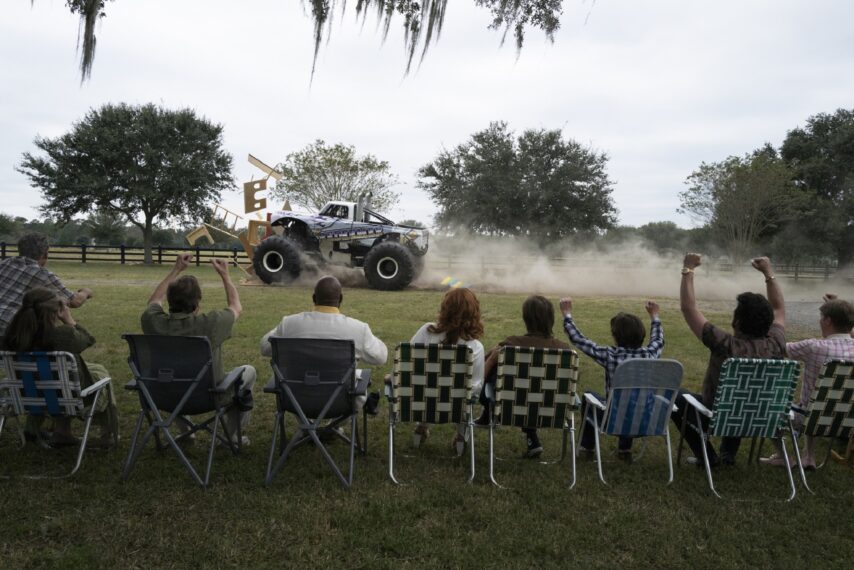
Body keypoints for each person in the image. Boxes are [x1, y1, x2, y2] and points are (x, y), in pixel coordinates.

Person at [671, 254, 786, 467]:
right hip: (761, 417)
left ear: (736, 322)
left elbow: (689, 309)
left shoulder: (724, 345)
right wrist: (768, 273)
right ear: (768, 322)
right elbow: (779, 308)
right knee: (742, 396)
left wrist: (688, 269)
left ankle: (707, 456)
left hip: (717, 417)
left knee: (677, 396)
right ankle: (728, 454)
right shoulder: (776, 343)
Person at [141, 254, 256, 445]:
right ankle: (229, 436)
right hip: (209, 396)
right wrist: (225, 276)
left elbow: (153, 301)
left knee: (172, 376)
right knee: (249, 372)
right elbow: (236, 307)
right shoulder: (211, 323)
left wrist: (177, 269)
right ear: (197, 304)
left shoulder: (153, 322)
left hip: (163, 395)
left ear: (169, 300)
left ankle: (186, 433)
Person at [3, 287, 118, 447]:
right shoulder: (64, 336)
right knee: (99, 374)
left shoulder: (9, 338)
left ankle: (48, 431)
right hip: (68, 399)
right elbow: (88, 339)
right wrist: (69, 320)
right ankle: (107, 434)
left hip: (28, 397)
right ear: (55, 312)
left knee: (62, 374)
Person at [260, 275, 387, 412]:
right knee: (355, 377)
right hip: (342, 402)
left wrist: (282, 328)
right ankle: (333, 427)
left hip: (295, 399)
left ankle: (306, 427)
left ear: (314, 298)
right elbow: (381, 357)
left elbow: (264, 347)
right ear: (341, 299)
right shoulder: (358, 329)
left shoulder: (288, 324)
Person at [560, 297, 664, 462]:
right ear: (642, 334)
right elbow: (658, 340)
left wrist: (567, 315)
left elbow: (579, 340)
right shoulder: (650, 355)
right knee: (633, 399)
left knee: (589, 397)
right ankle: (624, 449)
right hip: (645, 421)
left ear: (615, 336)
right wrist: (655, 317)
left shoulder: (610, 355)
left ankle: (587, 448)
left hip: (613, 421)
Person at [761, 294, 854, 469]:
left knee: (767, 408)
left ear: (827, 321)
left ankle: (784, 457)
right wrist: (842, 314)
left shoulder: (814, 347)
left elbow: (778, 348)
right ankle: (808, 457)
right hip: (848, 420)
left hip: (809, 418)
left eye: (821, 318)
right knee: (821, 402)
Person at [477, 295, 573, 458]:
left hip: (511, 405)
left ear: (525, 318)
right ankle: (531, 437)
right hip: (548, 407)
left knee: (496, 370)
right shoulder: (564, 350)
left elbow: (480, 376)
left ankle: (489, 413)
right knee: (536, 385)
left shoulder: (511, 344)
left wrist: (491, 358)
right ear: (551, 319)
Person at [409, 287, 485, 455]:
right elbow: (476, 386)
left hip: (420, 401)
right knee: (465, 393)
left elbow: (408, 366)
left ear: (445, 307)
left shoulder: (426, 331)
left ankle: (421, 426)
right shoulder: (475, 347)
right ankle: (460, 435)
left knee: (428, 385)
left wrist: (391, 377)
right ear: (474, 312)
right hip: (457, 406)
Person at [0, 232, 92, 339]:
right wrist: (86, 292)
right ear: (45, 254)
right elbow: (74, 302)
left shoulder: (4, 263)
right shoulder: (42, 274)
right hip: (10, 334)